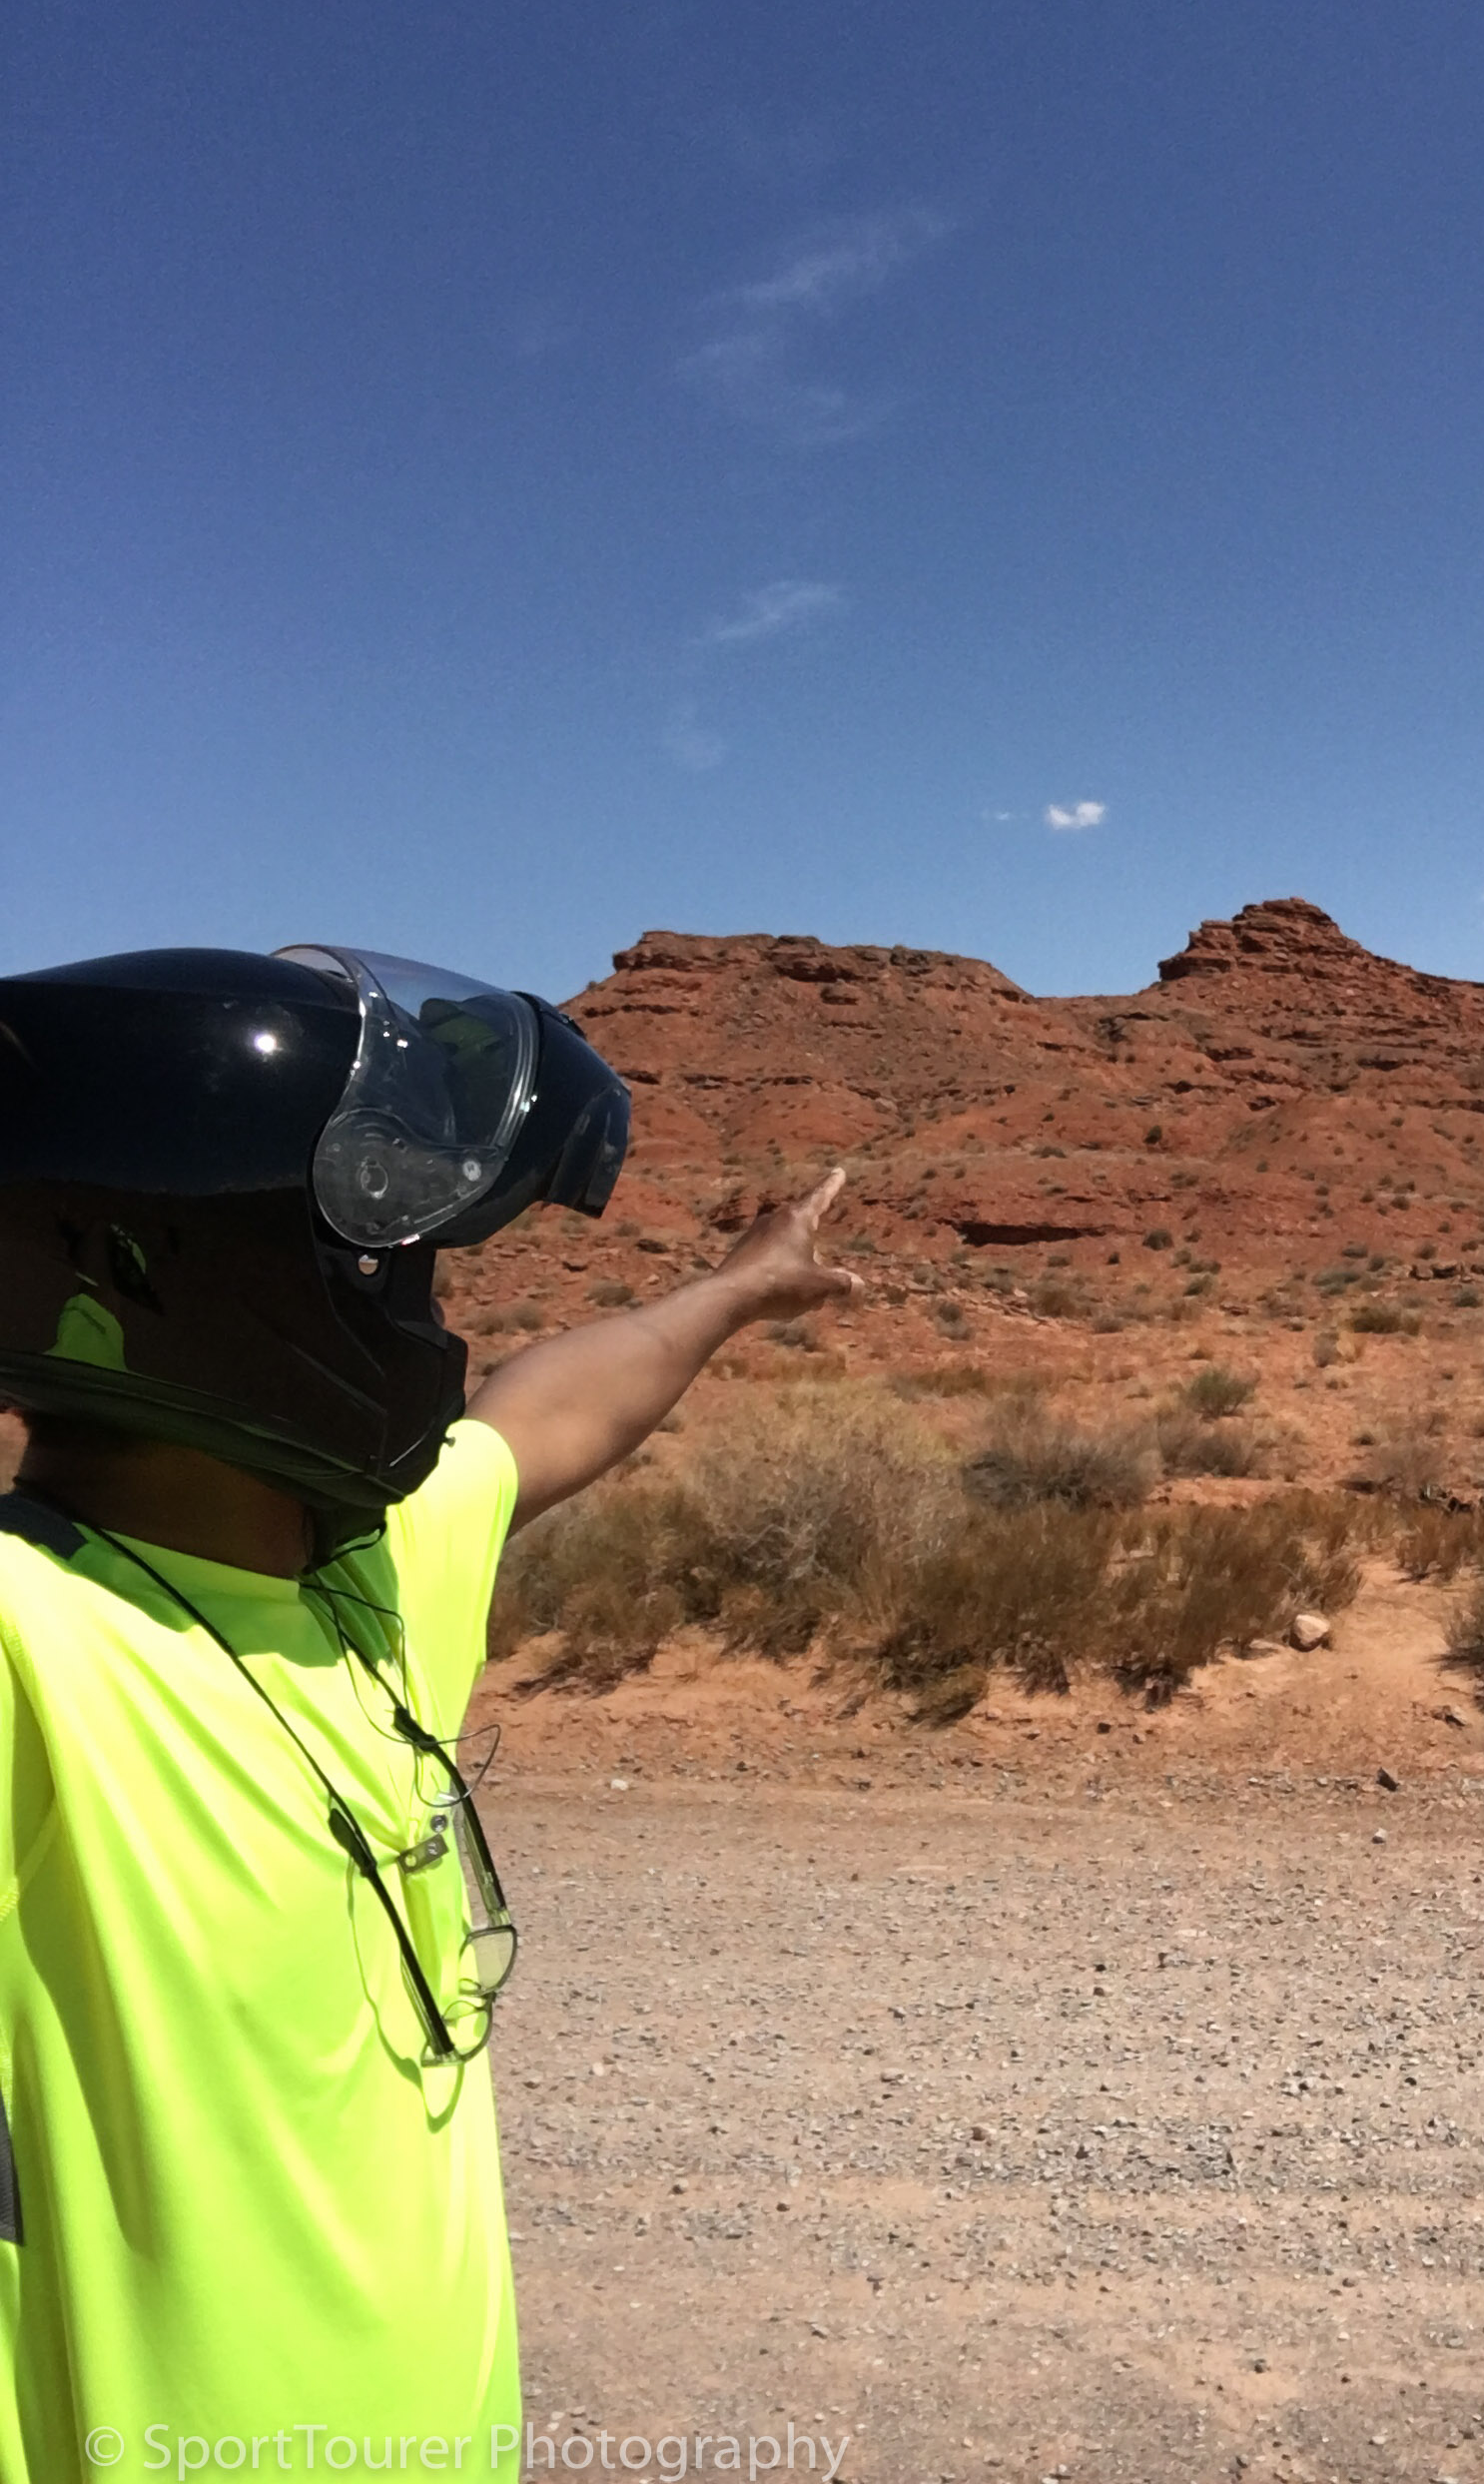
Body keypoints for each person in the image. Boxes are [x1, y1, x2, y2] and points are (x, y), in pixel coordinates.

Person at [0, 942, 857, 2480]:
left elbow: (548, 1415)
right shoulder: (32, 1639)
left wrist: (736, 1289)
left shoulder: (364, 1581)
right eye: (394, 1270)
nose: (427, 1315)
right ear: (169, 1271)